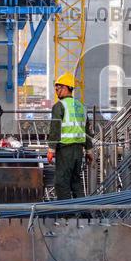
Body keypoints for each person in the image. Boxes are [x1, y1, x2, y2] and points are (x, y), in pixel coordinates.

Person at [46, 72, 93, 200]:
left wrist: (51, 149)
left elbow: (55, 128)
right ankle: (84, 215)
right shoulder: (81, 107)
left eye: (59, 88)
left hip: (65, 150)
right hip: (78, 151)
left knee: (61, 183)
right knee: (76, 182)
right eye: (56, 88)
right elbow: (87, 131)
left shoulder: (59, 106)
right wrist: (89, 151)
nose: (56, 91)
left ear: (67, 87)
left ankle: (67, 216)